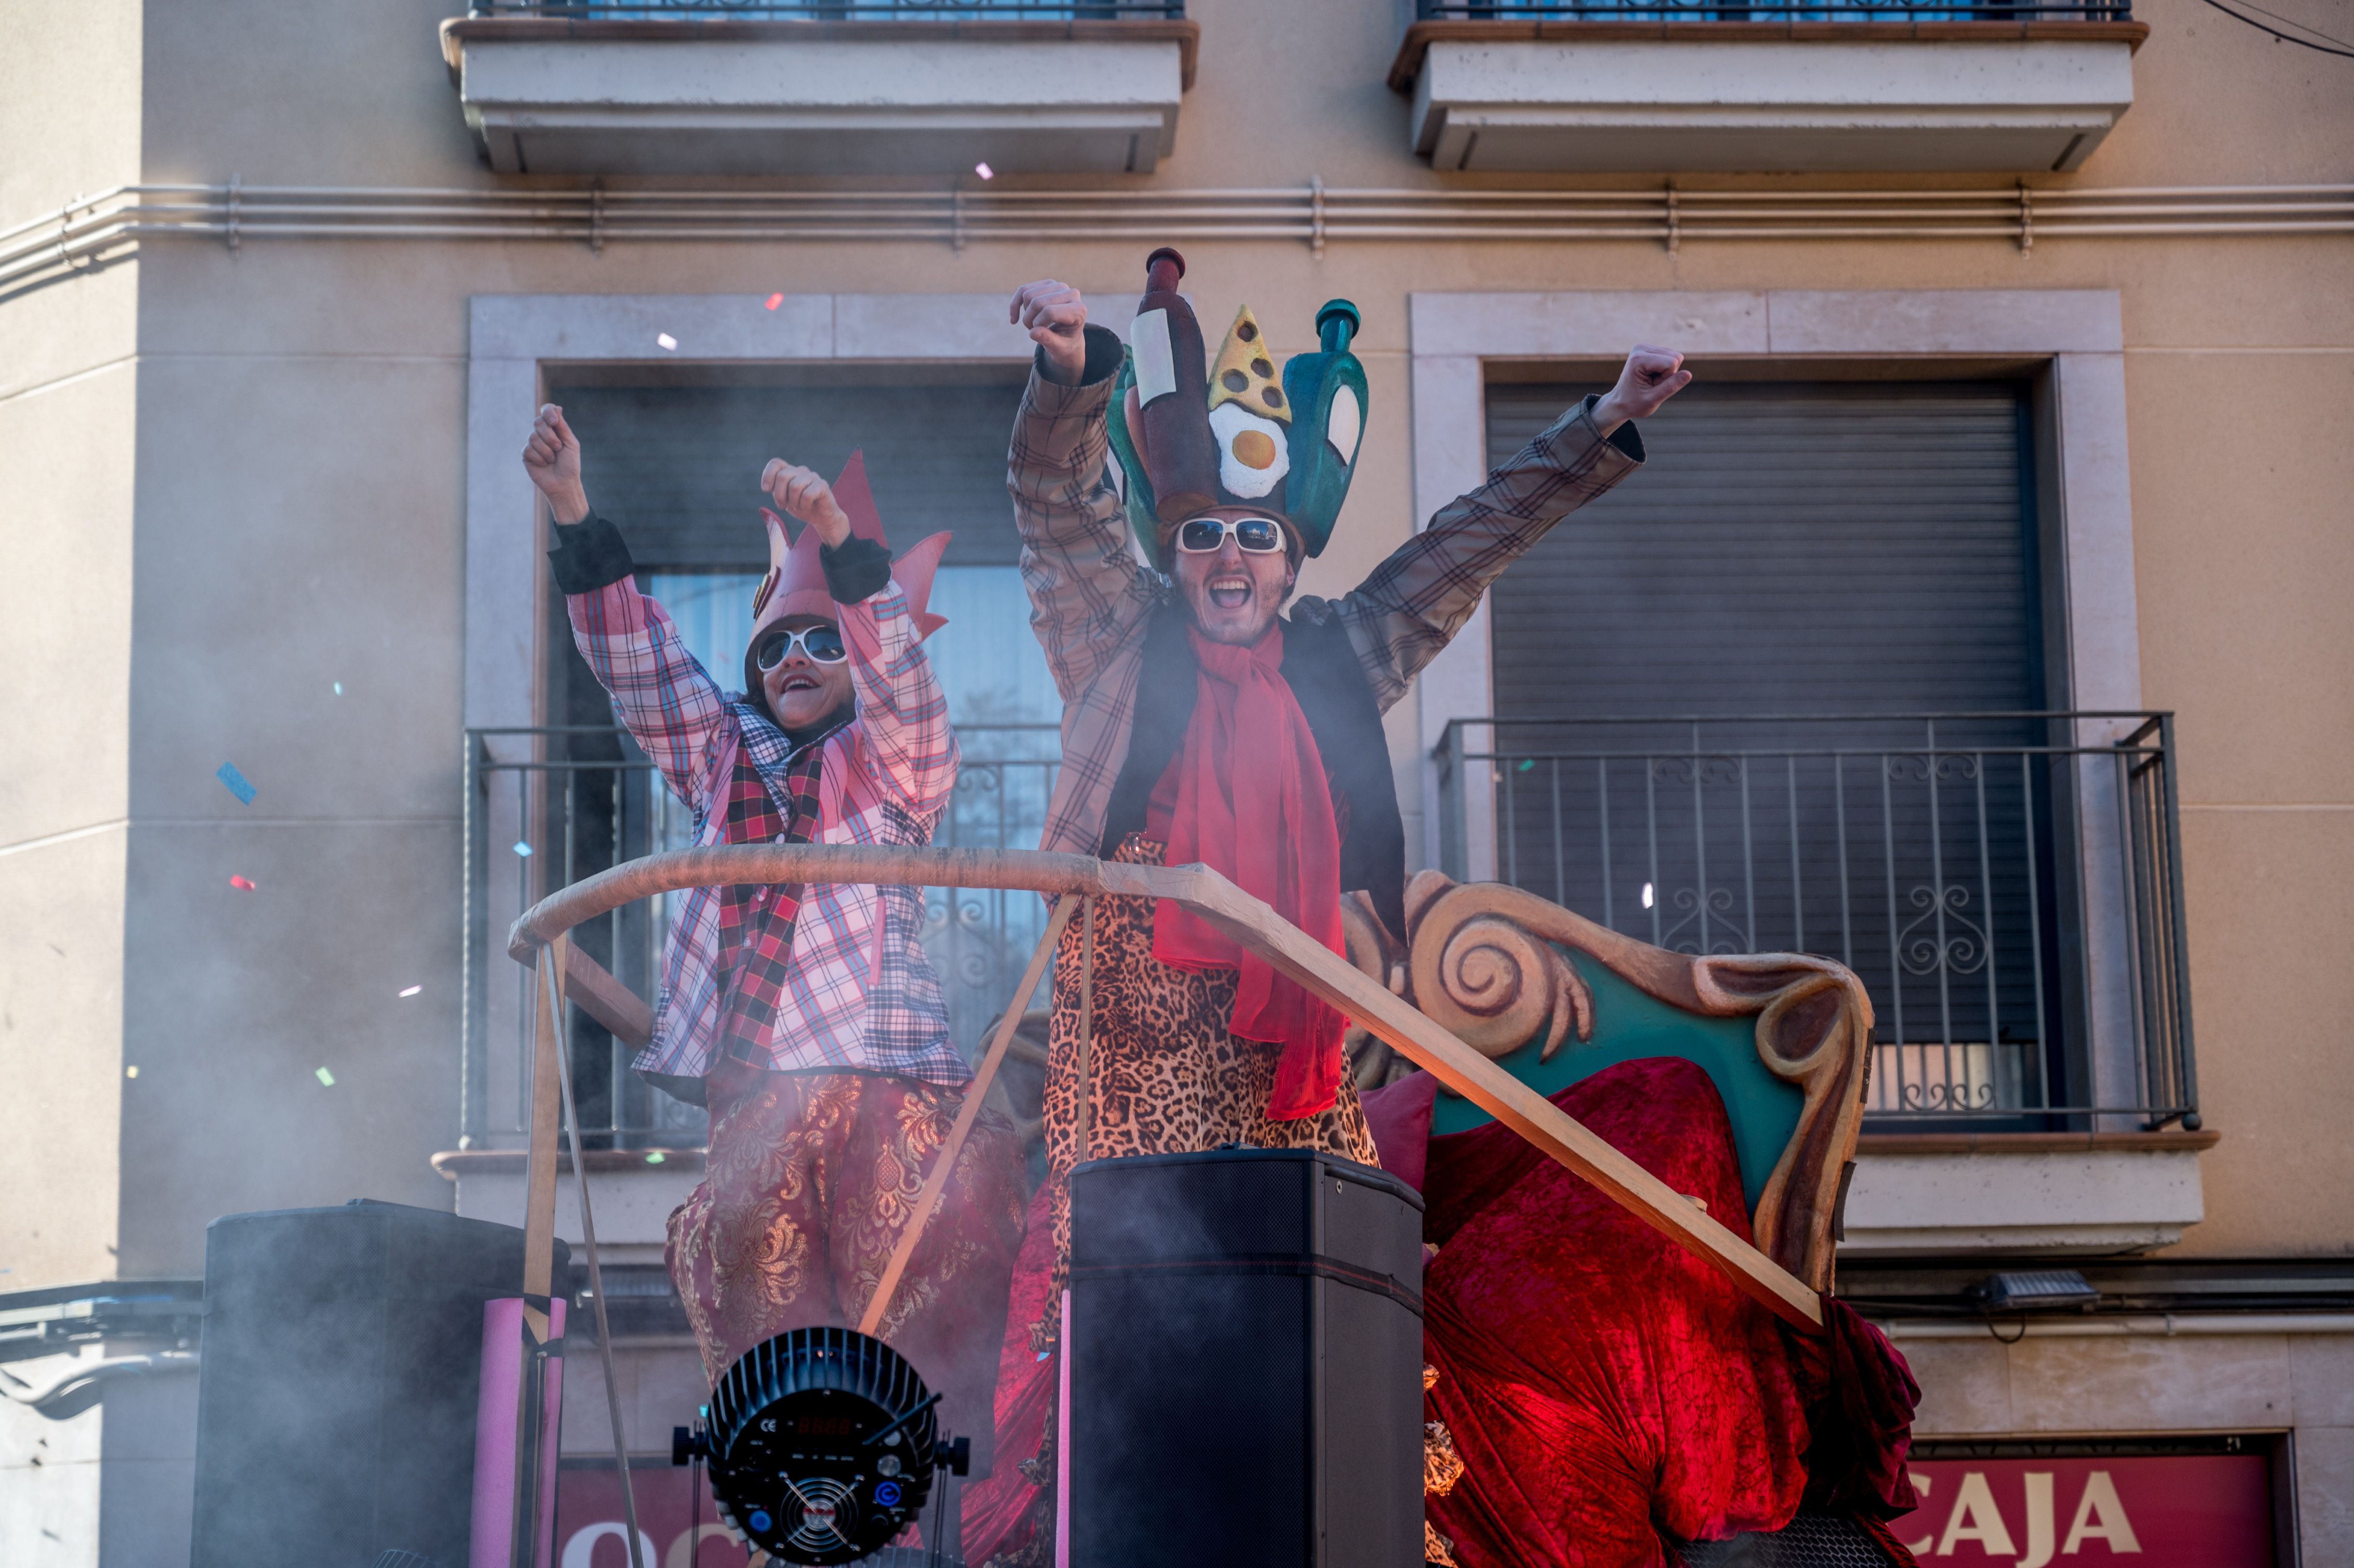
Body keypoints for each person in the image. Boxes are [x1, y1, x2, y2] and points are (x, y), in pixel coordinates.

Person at [960, 250, 1693, 1564]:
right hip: (1129, 1020)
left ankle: (1334, 1501)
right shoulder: (1110, 638)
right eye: (1202, 533)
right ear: (1173, 553)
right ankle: (1120, 1500)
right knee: (1124, 1274)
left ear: (1288, 564)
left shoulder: (1343, 651)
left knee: (1320, 1258)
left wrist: (1602, 426)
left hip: (1292, 1016)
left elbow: (1465, 541)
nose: (1230, 554)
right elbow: (1054, 509)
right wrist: (1071, 376)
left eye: (1257, 535)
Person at [520, 406, 1025, 1472]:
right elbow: (643, 669)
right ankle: (795, 1512)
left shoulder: (894, 770)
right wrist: (573, 507)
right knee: (770, 1330)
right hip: (762, 1096)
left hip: (887, 1086)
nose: (798, 656)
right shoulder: (723, 756)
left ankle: (933, 1519)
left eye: (822, 640)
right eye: (775, 644)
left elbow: (913, 709)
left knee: (912, 1305)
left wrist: (843, 552)